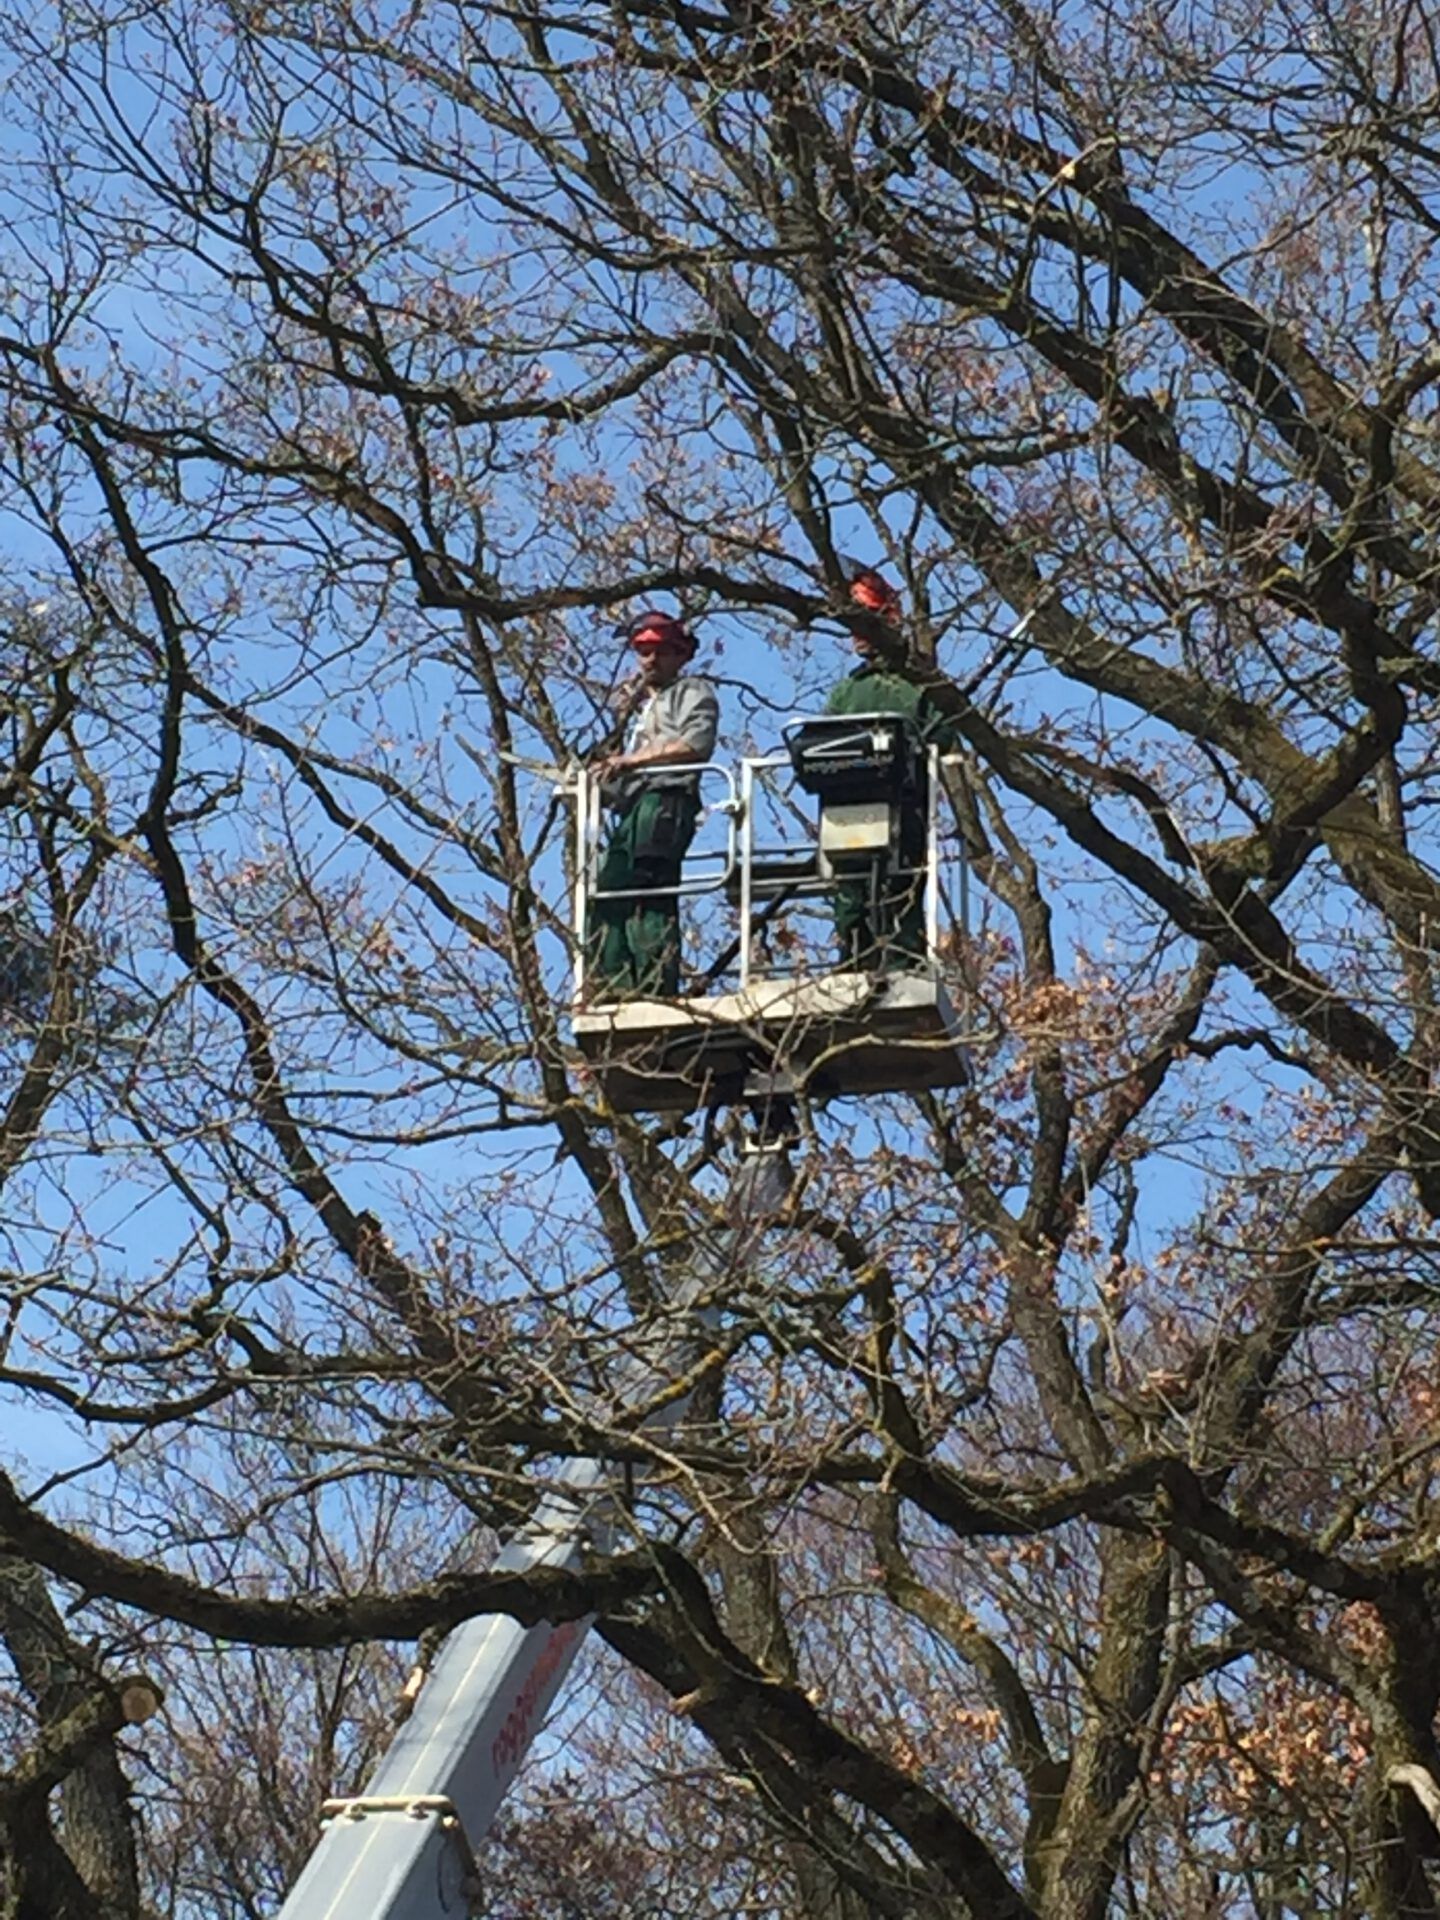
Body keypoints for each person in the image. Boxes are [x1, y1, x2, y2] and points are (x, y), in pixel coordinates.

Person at [587, 610, 719, 999]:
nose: (649, 660)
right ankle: (615, 985)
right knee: (609, 891)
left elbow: (693, 745)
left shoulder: (692, 691)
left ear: (680, 655)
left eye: (660, 651)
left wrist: (630, 761)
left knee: (648, 894)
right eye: (643, 651)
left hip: (665, 803)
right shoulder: (640, 708)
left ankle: (653, 986)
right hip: (633, 808)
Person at [823, 569, 949, 971]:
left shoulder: (917, 684)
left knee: (903, 887)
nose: (856, 633)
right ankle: (854, 963)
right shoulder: (847, 691)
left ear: (888, 620)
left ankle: (904, 962)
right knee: (850, 896)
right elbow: (820, 744)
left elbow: (943, 737)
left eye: (864, 621)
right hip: (849, 809)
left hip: (904, 806)